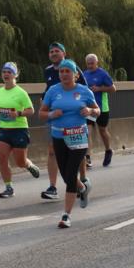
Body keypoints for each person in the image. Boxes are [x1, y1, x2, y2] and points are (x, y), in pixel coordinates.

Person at [39, 59, 99, 227]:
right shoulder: (53, 91)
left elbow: (97, 111)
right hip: (59, 137)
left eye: (68, 71)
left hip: (79, 137)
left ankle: (66, 215)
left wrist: (90, 111)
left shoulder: (84, 91)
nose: (64, 74)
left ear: (75, 74)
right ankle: (82, 188)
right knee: (66, 175)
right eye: (61, 72)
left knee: (71, 173)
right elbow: (41, 113)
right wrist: (52, 114)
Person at [40, 42, 88, 200]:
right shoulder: (47, 71)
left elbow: (84, 91)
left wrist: (87, 111)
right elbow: (48, 91)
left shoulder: (74, 68)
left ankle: (82, 179)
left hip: (74, 118)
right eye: (51, 51)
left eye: (57, 51)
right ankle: (53, 187)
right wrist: (47, 109)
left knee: (75, 150)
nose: (53, 53)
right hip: (55, 117)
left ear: (64, 53)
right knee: (52, 150)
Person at [0, 63, 40, 197]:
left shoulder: (21, 92)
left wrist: (18, 113)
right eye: (4, 72)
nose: (6, 74)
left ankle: (29, 165)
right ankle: (8, 187)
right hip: (4, 129)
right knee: (1, 155)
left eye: (9, 72)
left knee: (20, 162)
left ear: (15, 75)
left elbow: (31, 110)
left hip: (19, 129)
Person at [82, 54, 116, 167]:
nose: (90, 66)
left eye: (92, 63)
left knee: (102, 130)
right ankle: (87, 158)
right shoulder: (84, 74)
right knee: (87, 131)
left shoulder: (102, 74)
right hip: (89, 108)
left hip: (102, 107)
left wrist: (100, 88)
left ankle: (108, 150)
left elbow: (113, 88)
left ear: (97, 63)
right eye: (88, 64)